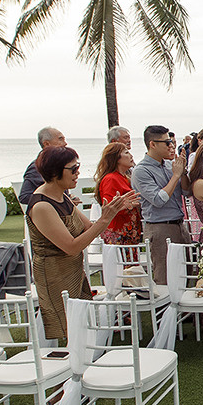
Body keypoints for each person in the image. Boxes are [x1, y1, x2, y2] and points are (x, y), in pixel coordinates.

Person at [28, 146, 135, 342]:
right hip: (54, 274)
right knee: (65, 329)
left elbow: (89, 228)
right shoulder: (42, 205)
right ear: (55, 172)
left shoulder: (62, 197)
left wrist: (114, 212)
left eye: (78, 168)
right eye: (73, 169)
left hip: (74, 270)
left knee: (81, 324)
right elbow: (71, 246)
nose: (78, 173)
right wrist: (105, 219)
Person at [131, 124, 192, 284]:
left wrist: (183, 171)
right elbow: (158, 199)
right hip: (160, 228)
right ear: (153, 144)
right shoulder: (141, 171)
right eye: (167, 143)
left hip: (179, 225)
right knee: (166, 277)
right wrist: (175, 175)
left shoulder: (168, 165)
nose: (171, 146)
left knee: (188, 273)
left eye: (172, 142)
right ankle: (166, 309)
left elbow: (186, 192)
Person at [95, 143, 143, 244]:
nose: (131, 156)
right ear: (116, 158)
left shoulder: (125, 178)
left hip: (129, 233)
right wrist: (125, 206)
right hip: (118, 233)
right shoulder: (111, 179)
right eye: (126, 152)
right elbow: (108, 207)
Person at [19, 126, 67, 205]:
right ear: (47, 144)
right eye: (60, 139)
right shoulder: (37, 167)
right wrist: (54, 200)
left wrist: (69, 198)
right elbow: (24, 197)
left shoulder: (58, 164)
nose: (65, 143)